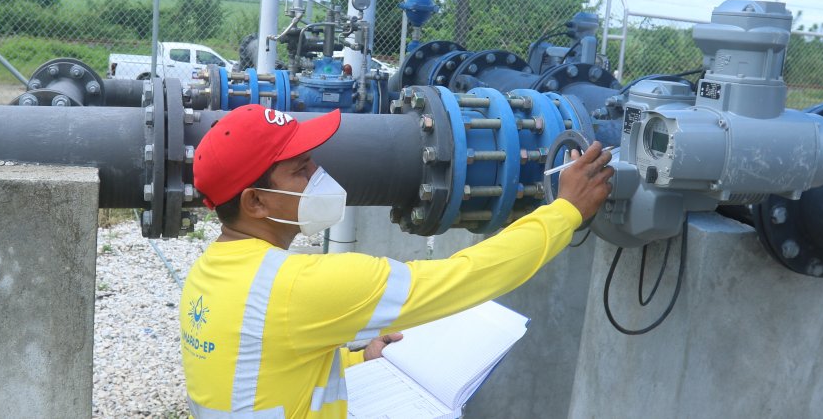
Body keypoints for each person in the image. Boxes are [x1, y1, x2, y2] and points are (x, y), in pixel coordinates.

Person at [181, 104, 614, 418]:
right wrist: (566, 210)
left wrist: (355, 360)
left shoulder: (209, 275)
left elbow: (262, 375)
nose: (319, 177)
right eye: (301, 170)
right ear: (255, 202)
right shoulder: (297, 286)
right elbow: (467, 277)